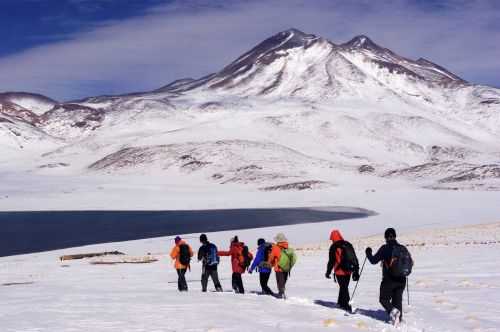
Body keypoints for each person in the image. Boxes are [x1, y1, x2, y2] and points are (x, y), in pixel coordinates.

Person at [366, 228, 411, 325]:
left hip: (389, 279)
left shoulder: (385, 248)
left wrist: (368, 253)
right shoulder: (403, 248)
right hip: (402, 279)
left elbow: (373, 261)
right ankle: (399, 319)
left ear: (386, 237)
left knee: (383, 299)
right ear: (395, 236)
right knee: (397, 299)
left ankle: (394, 312)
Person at [325, 230, 360, 312]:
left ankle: (348, 307)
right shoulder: (348, 244)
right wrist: (356, 270)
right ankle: (340, 302)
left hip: (339, 271)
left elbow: (331, 261)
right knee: (344, 287)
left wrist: (328, 272)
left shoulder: (333, 247)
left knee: (344, 288)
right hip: (348, 270)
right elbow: (354, 258)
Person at [268, 232, 297, 299]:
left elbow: (271, 257)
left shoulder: (275, 247)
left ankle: (281, 293)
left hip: (279, 267)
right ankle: (282, 291)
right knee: (283, 280)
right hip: (286, 267)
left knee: (279, 281)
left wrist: (269, 263)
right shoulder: (287, 246)